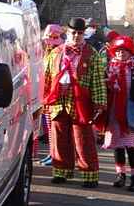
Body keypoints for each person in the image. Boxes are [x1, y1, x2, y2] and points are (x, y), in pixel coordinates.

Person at [42, 17, 107, 188]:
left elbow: (98, 81)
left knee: (83, 138)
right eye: (73, 33)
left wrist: (99, 103)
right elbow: (47, 77)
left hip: (81, 101)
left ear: (83, 34)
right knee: (59, 137)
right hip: (58, 100)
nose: (77, 36)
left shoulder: (92, 54)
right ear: (67, 33)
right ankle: (61, 172)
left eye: (80, 33)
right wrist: (44, 99)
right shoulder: (55, 53)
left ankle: (89, 174)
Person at [99, 36, 134, 192]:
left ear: (130, 53)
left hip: (132, 111)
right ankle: (120, 175)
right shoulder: (109, 68)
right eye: (118, 51)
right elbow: (103, 88)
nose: (120, 54)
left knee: (131, 146)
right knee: (118, 146)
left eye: (123, 51)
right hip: (114, 111)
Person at [39, 24, 64, 166]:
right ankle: (51, 153)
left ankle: (55, 155)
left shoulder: (60, 54)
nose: (49, 44)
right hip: (46, 95)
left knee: (54, 128)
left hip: (54, 96)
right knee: (49, 128)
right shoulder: (47, 54)